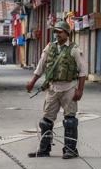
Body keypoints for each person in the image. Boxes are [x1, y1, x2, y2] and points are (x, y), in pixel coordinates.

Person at [26, 20, 87, 159]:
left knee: (70, 120)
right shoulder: (50, 47)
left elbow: (83, 71)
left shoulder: (74, 49)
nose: (57, 34)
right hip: (53, 88)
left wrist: (80, 90)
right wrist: (32, 82)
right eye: (56, 32)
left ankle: (70, 150)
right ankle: (44, 149)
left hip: (69, 88)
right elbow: (41, 67)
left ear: (67, 33)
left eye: (60, 32)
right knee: (46, 121)